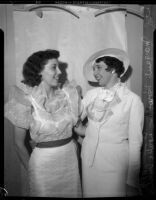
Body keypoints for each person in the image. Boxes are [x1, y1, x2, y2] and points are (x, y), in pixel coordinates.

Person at [5, 49, 82, 197]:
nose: (59, 72)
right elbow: (18, 144)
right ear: (39, 71)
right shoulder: (25, 100)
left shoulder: (68, 95)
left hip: (70, 160)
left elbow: (79, 129)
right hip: (43, 166)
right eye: (54, 67)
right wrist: (32, 171)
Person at [74, 48, 144, 197]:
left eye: (98, 67)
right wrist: (72, 97)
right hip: (89, 161)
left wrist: (131, 181)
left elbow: (135, 143)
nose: (94, 72)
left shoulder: (133, 100)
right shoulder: (91, 95)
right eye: (94, 69)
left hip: (116, 164)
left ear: (112, 69)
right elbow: (75, 119)